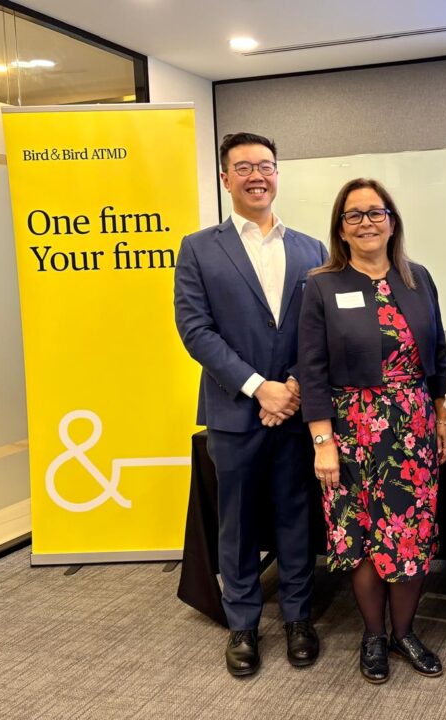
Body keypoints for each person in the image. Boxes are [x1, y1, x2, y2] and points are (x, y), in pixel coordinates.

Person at [174, 132, 327, 677]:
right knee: (236, 523)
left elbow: (319, 330)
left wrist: (293, 386)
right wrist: (260, 387)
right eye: (243, 167)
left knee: (295, 515)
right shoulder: (198, 247)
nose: (256, 175)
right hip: (235, 412)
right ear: (225, 178)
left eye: (265, 165)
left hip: (296, 411)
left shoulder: (312, 249)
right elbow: (195, 329)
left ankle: (298, 618)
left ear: (277, 173)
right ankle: (242, 624)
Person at [298, 178, 446, 684]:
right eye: (354, 215)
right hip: (349, 431)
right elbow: (312, 371)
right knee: (361, 535)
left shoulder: (418, 278)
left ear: (391, 221)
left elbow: (439, 356)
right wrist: (323, 443)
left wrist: (443, 419)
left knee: (409, 534)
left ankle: (404, 632)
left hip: (411, 428)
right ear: (341, 228)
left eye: (375, 212)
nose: (366, 222)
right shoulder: (322, 285)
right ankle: (374, 636)